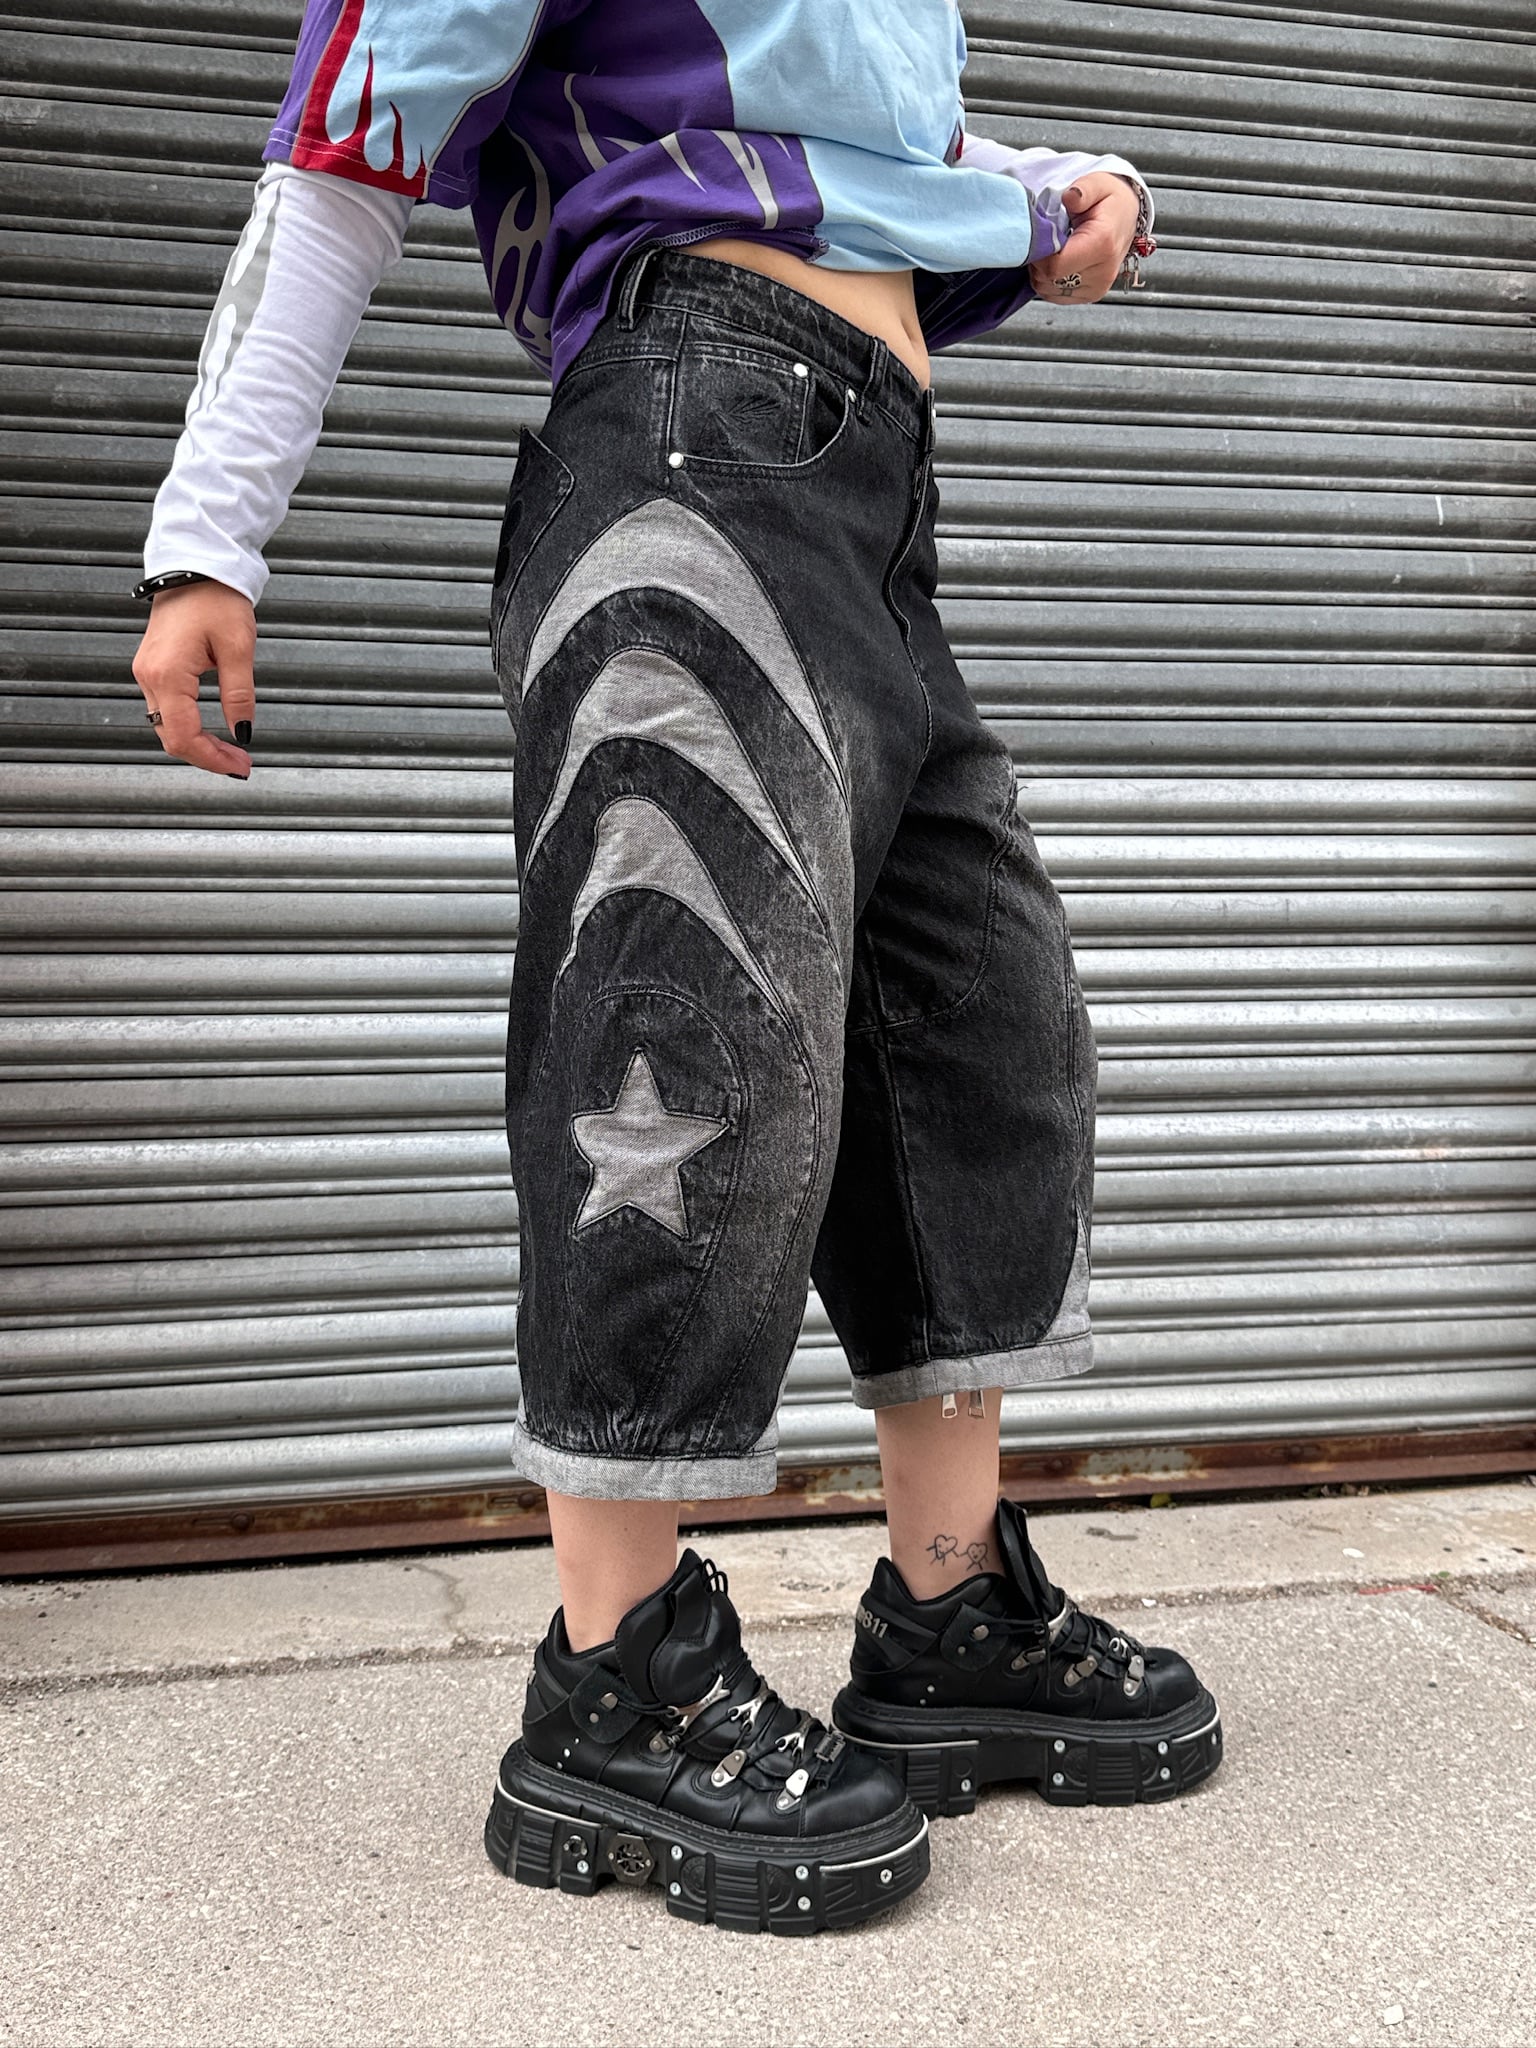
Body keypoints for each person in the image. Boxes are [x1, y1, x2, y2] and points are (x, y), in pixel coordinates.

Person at [131, 0, 1221, 1935]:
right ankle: (612, 1675)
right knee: (677, 1030)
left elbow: (844, 163)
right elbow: (348, 143)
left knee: (974, 1037)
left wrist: (1050, 191)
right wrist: (210, 535)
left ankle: (948, 1613)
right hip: (695, 441)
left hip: (873, 484)